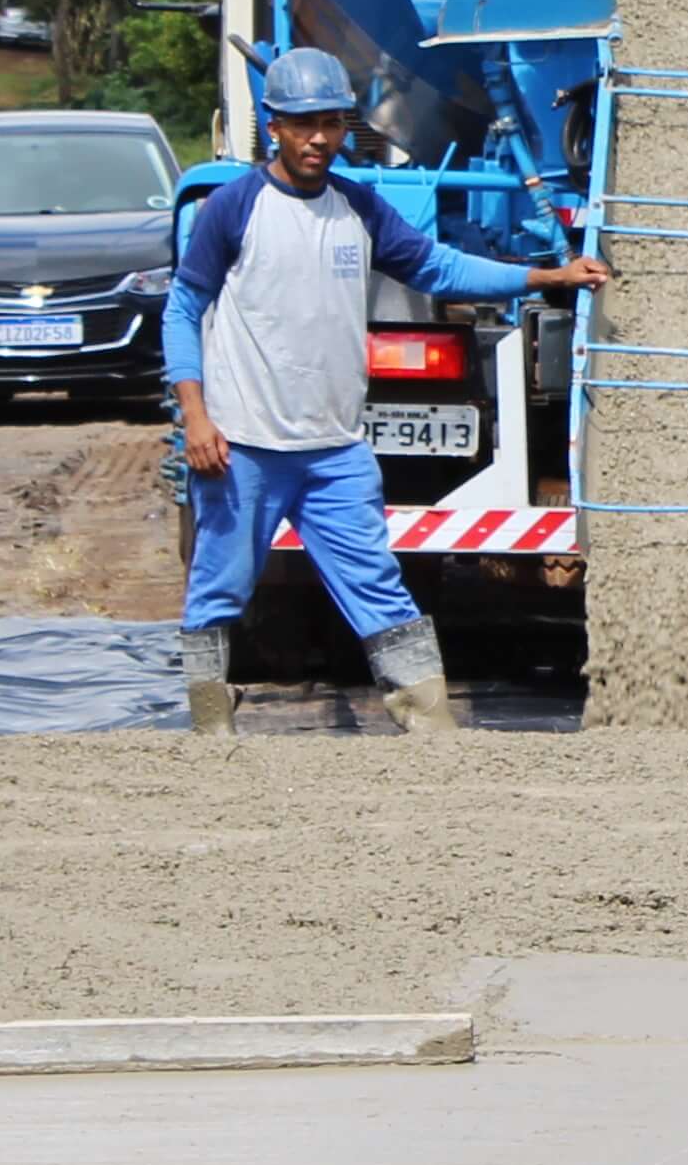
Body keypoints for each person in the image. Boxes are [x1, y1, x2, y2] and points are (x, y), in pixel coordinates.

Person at [169, 46, 606, 735]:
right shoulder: (235, 209)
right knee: (219, 588)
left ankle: (430, 726)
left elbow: (438, 267)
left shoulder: (359, 209)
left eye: (334, 123)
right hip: (242, 447)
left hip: (334, 452)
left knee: (379, 586)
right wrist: (196, 417)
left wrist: (544, 278)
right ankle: (209, 729)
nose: (320, 138)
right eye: (304, 123)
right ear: (274, 126)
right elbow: (183, 311)